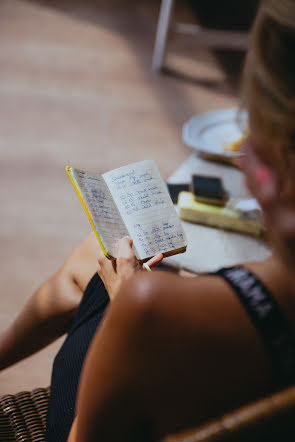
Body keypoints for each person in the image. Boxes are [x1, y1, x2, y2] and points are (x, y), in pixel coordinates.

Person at [1, 0, 295, 441]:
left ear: (268, 175)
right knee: (101, 263)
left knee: (104, 264)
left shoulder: (150, 315)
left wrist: (126, 318)